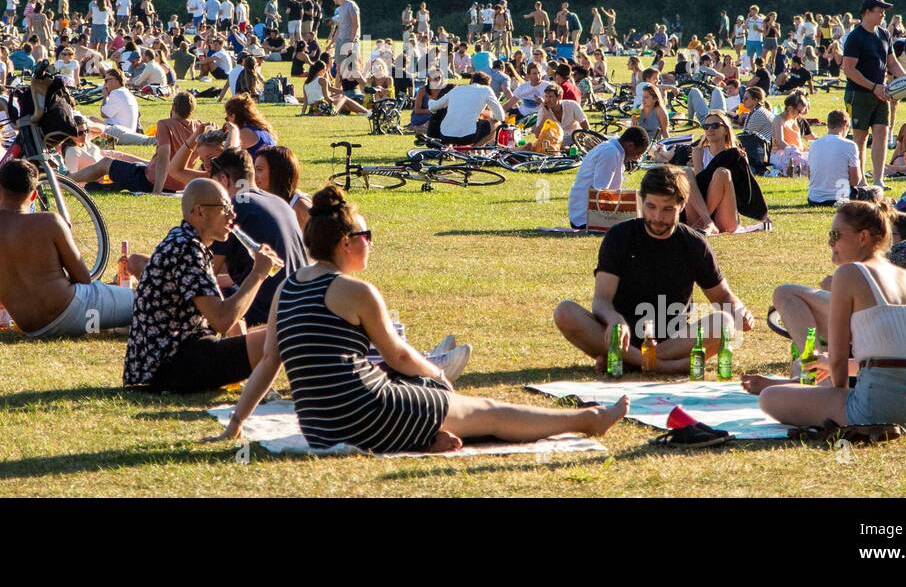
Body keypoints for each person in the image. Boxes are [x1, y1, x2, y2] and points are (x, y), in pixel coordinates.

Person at [210, 186, 626, 453]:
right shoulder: (355, 291)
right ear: (345, 242)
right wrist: (437, 377)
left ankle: (428, 437)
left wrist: (236, 423)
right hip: (364, 413)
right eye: (365, 237)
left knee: (455, 409)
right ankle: (587, 420)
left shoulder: (287, 287)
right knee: (489, 410)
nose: (370, 245)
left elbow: (268, 362)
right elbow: (399, 356)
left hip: (321, 424)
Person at [752, 201, 906, 431]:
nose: (831, 242)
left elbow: (837, 359)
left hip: (883, 408)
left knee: (770, 397)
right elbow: (900, 353)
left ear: (863, 237)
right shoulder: (904, 277)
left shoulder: (848, 273)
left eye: (835, 235)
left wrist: (836, 396)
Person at [554, 165, 755, 373]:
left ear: (682, 205)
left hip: (673, 340)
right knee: (565, 311)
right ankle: (662, 366)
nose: (658, 217)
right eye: (651, 207)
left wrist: (740, 311)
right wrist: (614, 318)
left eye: (667, 209)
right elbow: (602, 301)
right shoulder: (619, 237)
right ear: (641, 201)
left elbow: (722, 296)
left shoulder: (694, 244)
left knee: (725, 323)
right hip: (622, 335)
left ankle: (633, 361)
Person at [0, 160, 133, 338]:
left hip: (35, 327)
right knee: (147, 301)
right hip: (75, 311)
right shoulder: (50, 222)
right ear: (34, 195)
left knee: (129, 313)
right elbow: (84, 279)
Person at [123, 178, 283, 393]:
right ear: (200, 212)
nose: (232, 215)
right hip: (171, 369)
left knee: (283, 328)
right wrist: (258, 274)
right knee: (285, 334)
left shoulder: (186, 242)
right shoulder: (186, 249)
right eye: (225, 208)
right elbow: (222, 320)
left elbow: (227, 316)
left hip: (170, 361)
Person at [205, 147, 308, 327]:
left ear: (223, 180)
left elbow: (206, 272)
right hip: (300, 309)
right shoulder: (279, 202)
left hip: (266, 316)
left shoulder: (235, 206)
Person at [842, 0, 906, 187]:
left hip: (882, 93)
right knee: (860, 138)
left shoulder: (884, 34)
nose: (883, 14)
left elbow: (892, 62)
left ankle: (878, 179)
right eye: (880, 10)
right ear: (867, 12)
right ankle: (860, 181)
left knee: (882, 134)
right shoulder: (855, 37)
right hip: (859, 94)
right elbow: (849, 69)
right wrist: (872, 86)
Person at [684, 112, 768, 233]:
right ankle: (707, 221)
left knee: (722, 173)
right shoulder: (700, 153)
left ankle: (704, 223)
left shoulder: (737, 156)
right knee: (686, 172)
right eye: (706, 127)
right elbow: (700, 186)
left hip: (724, 213)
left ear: (726, 130)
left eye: (715, 125)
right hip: (701, 210)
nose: (710, 129)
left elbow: (744, 190)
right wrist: (697, 161)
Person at [567, 127, 649, 230]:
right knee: (641, 225)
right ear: (630, 145)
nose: (637, 158)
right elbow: (600, 192)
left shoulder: (614, 149)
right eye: (638, 153)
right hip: (585, 219)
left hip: (587, 214)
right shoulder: (610, 153)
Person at [427, 71, 504, 146]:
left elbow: (433, 107)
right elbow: (500, 117)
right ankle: (474, 150)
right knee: (497, 123)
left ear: (471, 81)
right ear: (487, 84)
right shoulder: (486, 89)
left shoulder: (456, 89)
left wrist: (430, 99)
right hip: (467, 137)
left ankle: (450, 147)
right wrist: (487, 113)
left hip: (445, 135)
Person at [806, 110, 862, 205]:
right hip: (841, 198)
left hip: (814, 199)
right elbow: (855, 180)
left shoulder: (814, 144)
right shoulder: (850, 145)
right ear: (845, 125)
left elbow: (810, 175)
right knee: (877, 191)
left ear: (828, 125)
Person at [254, 144, 312, 233]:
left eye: (259, 170)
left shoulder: (301, 207)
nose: (254, 176)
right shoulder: (263, 202)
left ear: (277, 172)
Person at [91, 67, 155, 146]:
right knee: (90, 123)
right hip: (127, 131)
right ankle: (100, 143)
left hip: (118, 131)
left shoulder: (116, 93)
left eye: (106, 81)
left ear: (116, 80)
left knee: (89, 121)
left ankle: (99, 143)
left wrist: (105, 97)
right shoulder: (126, 92)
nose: (105, 84)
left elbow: (104, 114)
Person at [534, 82, 589, 148]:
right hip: (555, 143)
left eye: (550, 97)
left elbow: (586, 127)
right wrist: (545, 117)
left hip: (574, 138)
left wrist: (578, 140)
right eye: (546, 96)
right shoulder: (543, 111)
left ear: (559, 97)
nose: (547, 100)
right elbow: (537, 135)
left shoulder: (572, 105)